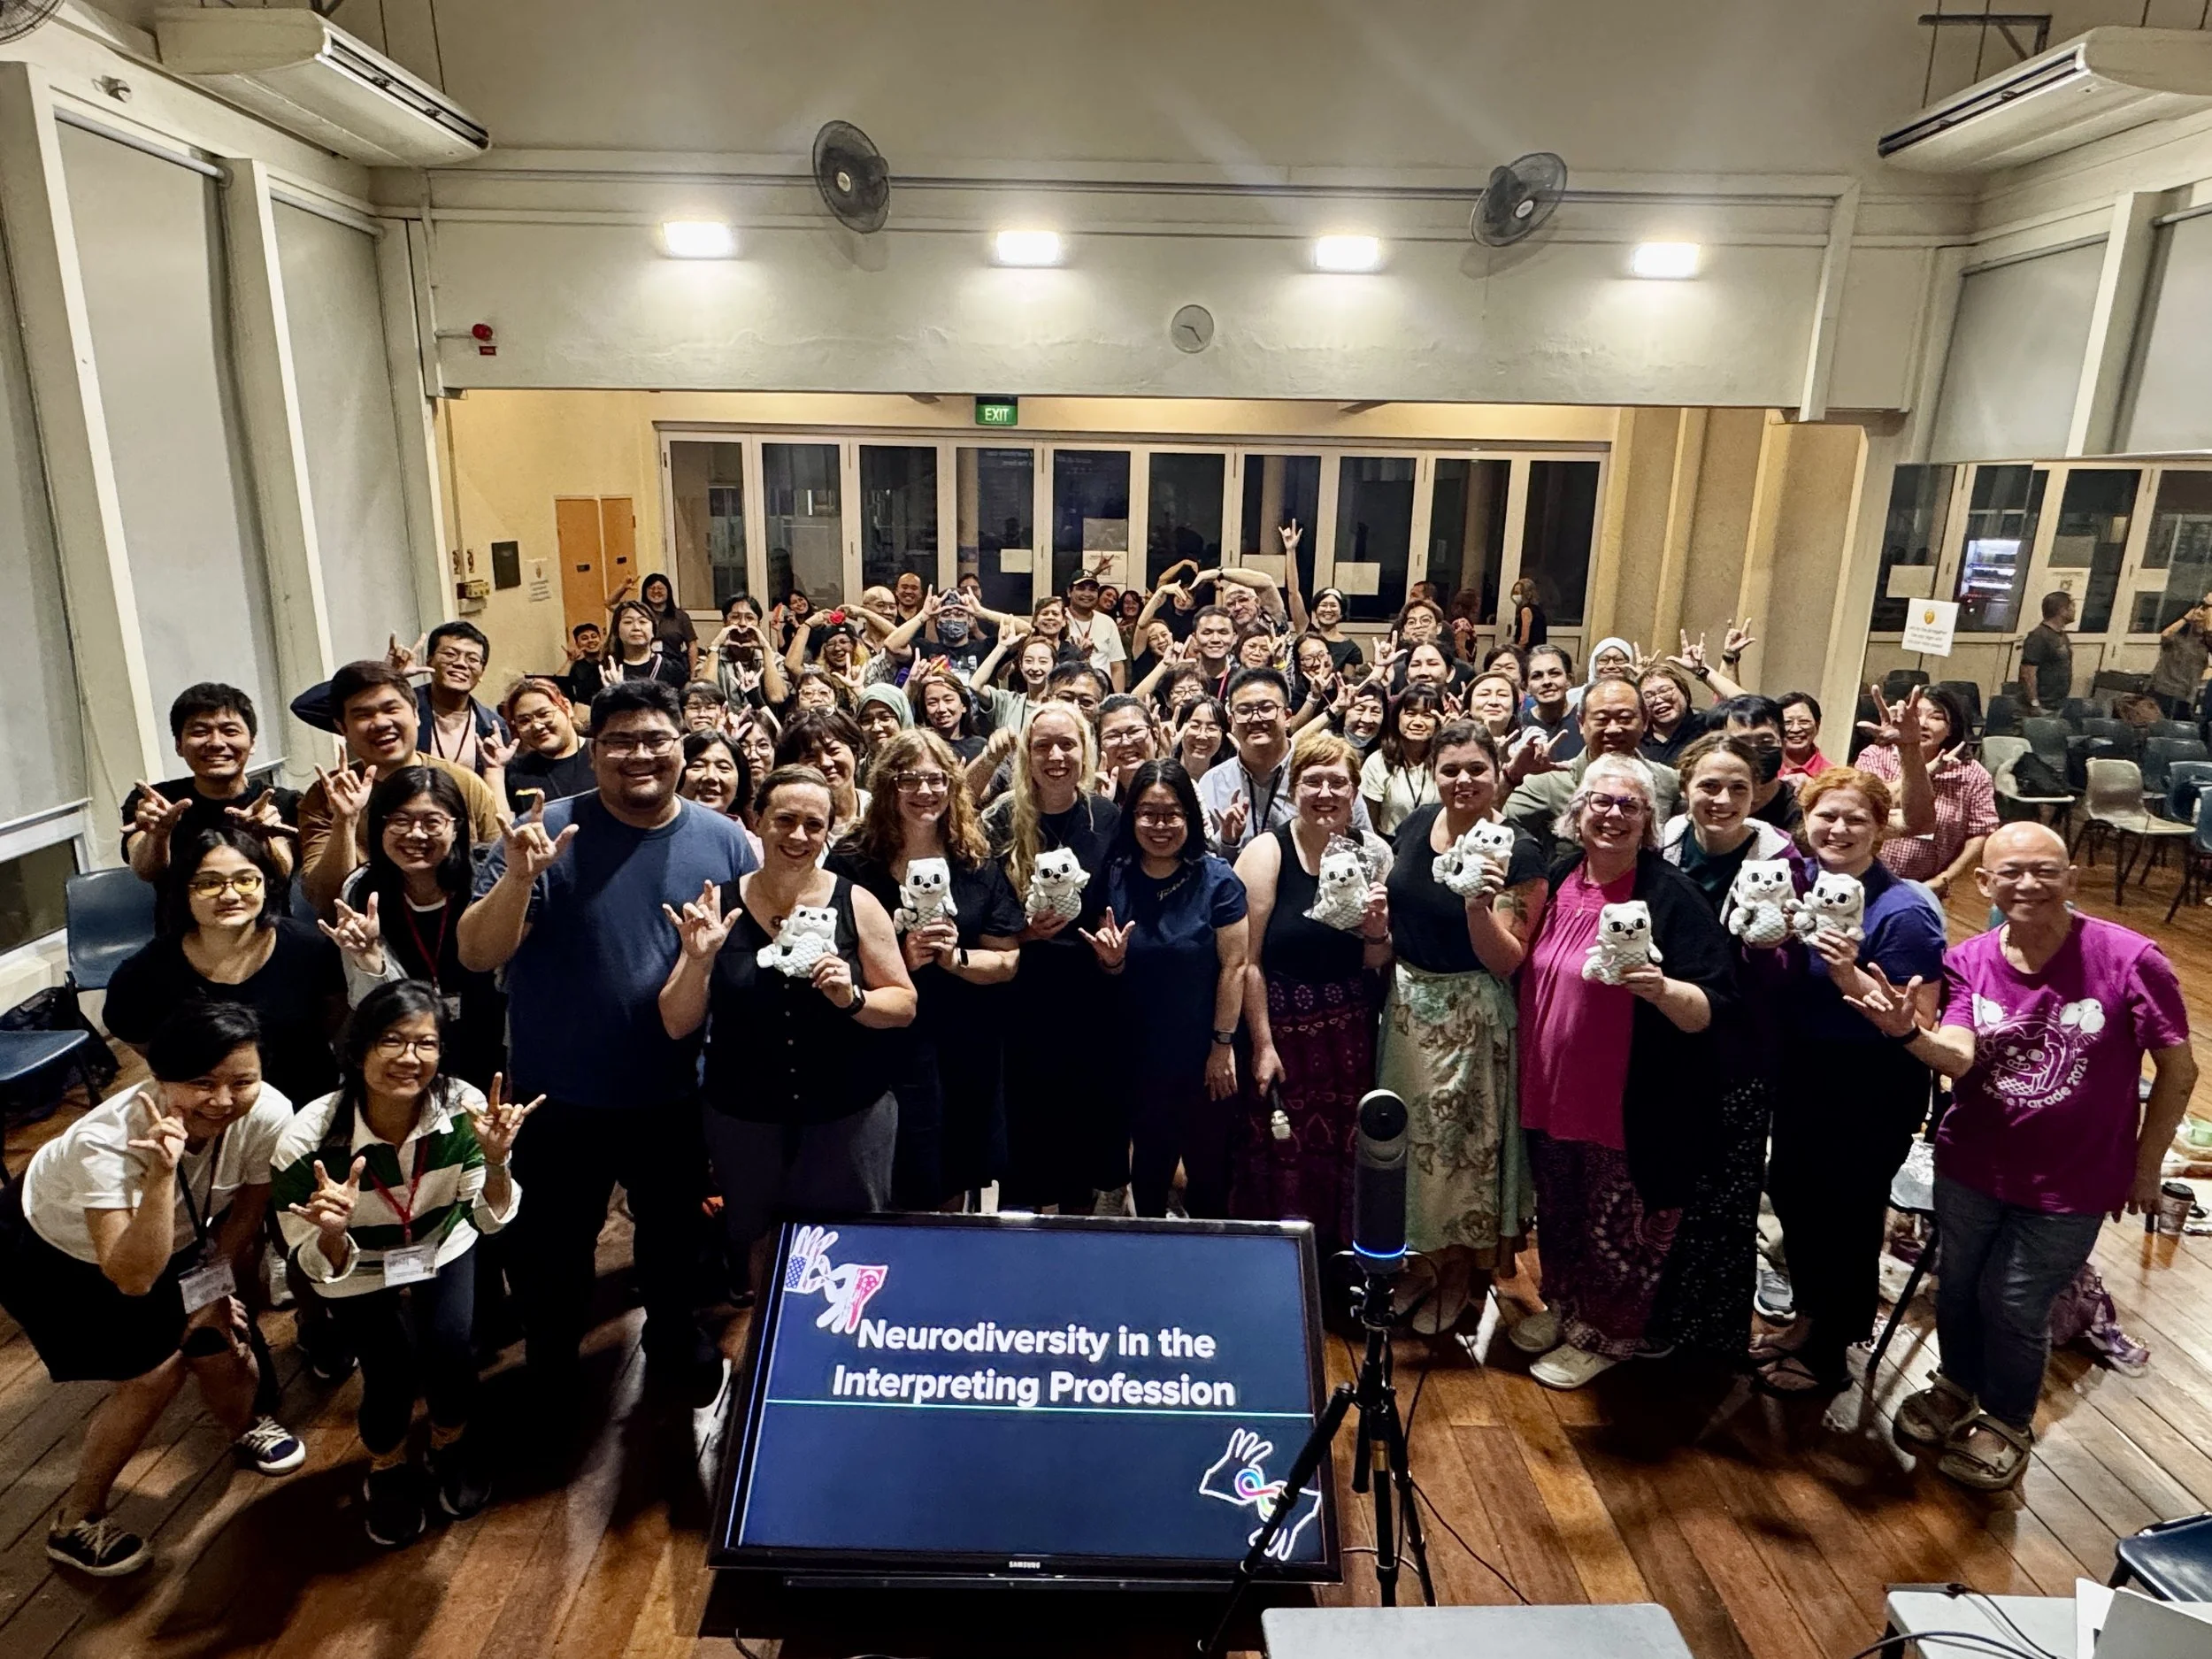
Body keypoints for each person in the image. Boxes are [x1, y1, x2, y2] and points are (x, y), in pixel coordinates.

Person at [1852, 823, 2195, 1489]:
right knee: (1956, 1286)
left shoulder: (2130, 958)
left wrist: (2146, 1165)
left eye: (2046, 870)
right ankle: (1955, 1382)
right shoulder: (1970, 958)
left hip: (2076, 1175)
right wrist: (1906, 1034)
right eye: (2011, 872)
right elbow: (1957, 1055)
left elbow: (2178, 1071)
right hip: (1973, 1161)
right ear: (1985, 883)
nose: (2029, 884)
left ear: (2071, 879)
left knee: (2013, 1300)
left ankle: (2007, 1417)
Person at [457, 680, 756, 1409]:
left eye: (656, 739)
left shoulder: (720, 837)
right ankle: (552, 1355)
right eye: (620, 741)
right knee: (554, 1247)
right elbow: (475, 951)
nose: (640, 755)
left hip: (673, 1086)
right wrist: (521, 879)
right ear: (593, 753)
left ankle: (669, 1330)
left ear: (683, 748)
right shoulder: (545, 830)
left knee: (670, 1236)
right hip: (558, 1091)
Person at [0, 1003, 304, 1577]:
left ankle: (244, 1427)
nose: (223, 1099)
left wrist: (212, 1283)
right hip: (55, 1250)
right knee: (153, 1372)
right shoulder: (106, 1141)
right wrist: (162, 1174)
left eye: (241, 1080)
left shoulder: (268, 1110)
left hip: (177, 1235)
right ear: (158, 1077)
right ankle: (75, 1522)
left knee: (214, 1336)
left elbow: (248, 1208)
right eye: (200, 1083)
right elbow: (132, 1273)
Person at [273, 983, 530, 1544]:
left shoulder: (464, 1110)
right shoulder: (305, 1141)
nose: (409, 1058)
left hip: (440, 1241)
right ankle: (385, 1467)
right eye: (392, 1040)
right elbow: (316, 1264)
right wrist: (335, 1234)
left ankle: (448, 1443)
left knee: (452, 1349)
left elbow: (487, 1220)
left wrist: (496, 1159)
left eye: (426, 1044)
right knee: (387, 1372)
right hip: (356, 1263)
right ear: (357, 1047)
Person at [1509, 754, 1734, 1390]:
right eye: (1599, 803)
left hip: (1628, 1100)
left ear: (1650, 822)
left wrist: (1661, 988)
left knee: (1619, 1223)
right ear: (1576, 815)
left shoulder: (1671, 896)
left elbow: (1713, 1007)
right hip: (1551, 1088)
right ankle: (1566, 1307)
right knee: (1559, 1206)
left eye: (1627, 805)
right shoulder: (1556, 878)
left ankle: (1611, 1332)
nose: (1611, 814)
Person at [660, 765, 915, 1287]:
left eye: (813, 824)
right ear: (757, 820)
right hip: (746, 1117)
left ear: (828, 831)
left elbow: (904, 1004)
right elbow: (677, 1021)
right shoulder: (718, 906)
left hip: (847, 1114)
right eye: (785, 820)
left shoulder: (856, 902)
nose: (798, 835)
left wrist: (854, 996)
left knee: (848, 1241)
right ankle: (766, 1347)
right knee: (758, 1239)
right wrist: (698, 960)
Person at [1755, 765, 1947, 1396]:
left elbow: (1913, 1019)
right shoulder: (1799, 884)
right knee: (1793, 1191)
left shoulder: (1904, 908)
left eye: (1855, 819)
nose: (1838, 828)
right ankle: (1809, 1316)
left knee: (1847, 1211)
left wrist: (1849, 975)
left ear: (1880, 828)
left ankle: (1832, 1350)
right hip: (1804, 1068)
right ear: (1805, 822)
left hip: (1870, 1080)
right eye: (1826, 816)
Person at [1377, 722, 1547, 1331]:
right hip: (1405, 1010)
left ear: (1497, 771)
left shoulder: (1518, 849)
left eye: (1476, 767)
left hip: (1472, 1013)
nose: (1463, 780)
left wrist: (1478, 903)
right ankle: (1418, 1265)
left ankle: (1458, 1276)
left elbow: (1507, 956)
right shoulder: (1418, 824)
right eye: (1451, 769)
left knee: (1462, 1154)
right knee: (1411, 1152)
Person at [1649, 733, 1803, 1360]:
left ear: (1758, 792)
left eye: (1738, 786)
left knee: (1726, 1191)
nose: (1723, 798)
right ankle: (1653, 1315)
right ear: (1687, 787)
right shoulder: (1665, 844)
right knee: (1665, 1184)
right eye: (1710, 785)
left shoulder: (1781, 857)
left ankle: (1709, 1334)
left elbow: (1788, 968)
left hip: (1739, 1047)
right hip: (1667, 1038)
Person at [832, 730, 1025, 1208]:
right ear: (886, 786)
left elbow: (1006, 960)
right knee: (894, 1172)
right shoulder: (854, 862)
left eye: (936, 780)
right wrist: (899, 959)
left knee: (959, 1168)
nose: (924, 792)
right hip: (885, 1044)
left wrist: (953, 960)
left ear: (952, 786)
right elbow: (835, 959)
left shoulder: (974, 860)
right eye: (909, 780)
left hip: (966, 1044)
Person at [1236, 732, 1392, 1253]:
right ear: (1292, 787)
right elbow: (1247, 961)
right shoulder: (1267, 851)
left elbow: (1374, 961)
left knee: (1348, 1152)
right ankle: (1279, 1266)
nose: (1325, 792)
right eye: (1312, 781)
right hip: (1281, 1027)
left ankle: (1338, 1264)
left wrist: (1375, 930)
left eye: (1338, 782)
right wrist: (1261, 1044)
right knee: (1281, 1148)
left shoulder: (1375, 854)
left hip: (1350, 1030)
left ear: (1354, 791)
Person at [1093, 759, 1248, 1219]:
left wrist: (1221, 1046)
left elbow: (1235, 966)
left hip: (1204, 1052)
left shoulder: (1217, 879)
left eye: (1171, 814)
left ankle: (1206, 1273)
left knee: (1209, 1170)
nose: (1159, 825)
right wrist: (1112, 963)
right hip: (1138, 1052)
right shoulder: (1116, 874)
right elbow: (1109, 966)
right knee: (1149, 1169)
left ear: (1190, 818)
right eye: (1147, 813)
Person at [986, 703, 1123, 1210]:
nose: (1056, 755)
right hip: (1023, 994)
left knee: (1081, 1134)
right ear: (1026, 754)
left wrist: (1115, 956)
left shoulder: (1105, 815)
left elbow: (1118, 901)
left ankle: (1076, 1241)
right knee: (1026, 1132)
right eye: (1042, 745)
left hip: (1089, 995)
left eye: (1067, 744)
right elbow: (983, 907)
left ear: (1086, 750)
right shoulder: (1003, 816)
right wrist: (1021, 933)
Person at [106, 830, 345, 1108]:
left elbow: (333, 1016)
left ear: (266, 886)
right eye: (209, 884)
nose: (230, 895)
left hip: (305, 1104)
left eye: (245, 881)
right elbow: (144, 1042)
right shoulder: (146, 972)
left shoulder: (311, 948)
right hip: (208, 1111)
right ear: (185, 892)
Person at [334, 767, 507, 1089]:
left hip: (490, 1041)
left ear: (456, 827)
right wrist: (369, 958)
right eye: (399, 821)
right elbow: (367, 1004)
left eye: (432, 822)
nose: (415, 834)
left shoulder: (487, 881)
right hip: (406, 1054)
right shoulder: (361, 891)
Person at [298, 661, 505, 916]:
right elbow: (324, 898)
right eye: (363, 715)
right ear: (342, 728)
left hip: (458, 930)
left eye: (391, 708)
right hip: (364, 937)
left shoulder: (464, 783)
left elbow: (499, 873)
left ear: (417, 714)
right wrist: (344, 821)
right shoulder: (326, 795)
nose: (381, 723)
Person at [122, 684, 299, 904]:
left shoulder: (281, 802)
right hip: (181, 934)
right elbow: (146, 872)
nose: (216, 743)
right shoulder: (156, 802)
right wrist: (159, 834)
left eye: (230, 731)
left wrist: (263, 839)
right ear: (178, 745)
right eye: (200, 732)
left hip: (268, 932)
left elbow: (282, 871)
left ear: (252, 743)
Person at [1200, 667, 1375, 856]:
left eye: (1266, 708)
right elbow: (1204, 860)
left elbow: (1367, 845)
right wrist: (1227, 840)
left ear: (1288, 717)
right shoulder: (1213, 783)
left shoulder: (1327, 776)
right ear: (1231, 721)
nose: (1256, 718)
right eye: (1244, 710)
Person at [1502, 677, 1682, 859]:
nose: (1613, 729)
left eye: (1625, 718)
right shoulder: (1552, 781)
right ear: (1581, 723)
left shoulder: (1668, 780)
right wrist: (1510, 778)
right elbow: (1487, 820)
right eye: (1602, 719)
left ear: (1644, 722)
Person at [1855, 686, 1996, 902]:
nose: (1921, 723)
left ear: (1951, 728)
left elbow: (1981, 831)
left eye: (1935, 717)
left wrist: (1945, 879)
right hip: (1864, 877)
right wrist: (1925, 771)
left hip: (1928, 887)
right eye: (1915, 715)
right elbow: (1878, 802)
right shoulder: (1875, 756)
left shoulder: (1973, 774)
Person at [411, 622, 511, 781]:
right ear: (429, 660)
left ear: (482, 672)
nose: (461, 664)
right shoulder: (405, 709)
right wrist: (392, 677)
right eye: (450, 654)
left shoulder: (494, 727)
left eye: (472, 659)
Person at [1709, 694, 1805, 833]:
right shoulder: (1705, 804)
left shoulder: (1802, 810)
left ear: (1783, 746)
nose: (1754, 751)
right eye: (1742, 743)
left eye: (1765, 742)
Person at [500, 678, 595, 813]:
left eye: (544, 714)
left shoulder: (603, 754)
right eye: (524, 721)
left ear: (567, 707)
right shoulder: (516, 771)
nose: (537, 726)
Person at [775, 708, 870, 844]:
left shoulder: (881, 811)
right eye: (810, 757)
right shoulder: (793, 827)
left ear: (855, 751)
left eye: (833, 750)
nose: (825, 763)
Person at [1361, 685, 1443, 838]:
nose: (1418, 722)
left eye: (1427, 716)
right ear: (1397, 717)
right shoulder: (1378, 761)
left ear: (1437, 722)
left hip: (1436, 846)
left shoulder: (1445, 762)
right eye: (1410, 713)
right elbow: (1369, 825)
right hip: (1390, 846)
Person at [612, 572, 696, 678]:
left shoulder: (680, 616)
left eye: (660, 588)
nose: (656, 591)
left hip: (673, 669)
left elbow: (692, 646)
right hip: (643, 667)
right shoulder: (638, 612)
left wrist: (693, 674)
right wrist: (623, 588)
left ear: (668, 591)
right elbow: (609, 604)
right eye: (651, 588)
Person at [2151, 590, 2212, 719]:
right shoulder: (2177, 639)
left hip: (2186, 695)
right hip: (2164, 691)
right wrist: (2186, 618)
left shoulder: (2204, 645)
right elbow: (2166, 634)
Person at [607, 598, 689, 690]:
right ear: (616, 630)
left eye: (642, 622)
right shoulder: (605, 669)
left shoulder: (673, 670)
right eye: (628, 622)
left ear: (653, 630)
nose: (636, 628)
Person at [910, 663, 987, 762]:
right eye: (932, 702)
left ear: (963, 706)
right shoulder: (920, 746)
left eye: (948, 700)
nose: (941, 709)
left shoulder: (980, 747)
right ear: (926, 712)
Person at [1064, 572, 1128, 689]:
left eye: (1092, 590)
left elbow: (1117, 667)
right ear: (1069, 592)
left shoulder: (1107, 622)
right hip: (1066, 691)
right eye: (1081, 589)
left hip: (1100, 694)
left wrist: (1116, 700)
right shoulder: (1059, 618)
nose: (1087, 594)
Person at [1636, 664, 1707, 768]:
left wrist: (1703, 672)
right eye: (1648, 696)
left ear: (1684, 692)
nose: (1659, 700)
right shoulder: (1637, 738)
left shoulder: (1707, 724)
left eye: (1665, 691)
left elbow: (1738, 705)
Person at [1519, 646, 1580, 760]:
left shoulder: (1585, 720)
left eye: (1554, 673)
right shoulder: (1519, 725)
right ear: (1526, 686)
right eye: (1537, 676)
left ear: (1569, 680)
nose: (1547, 681)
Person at [2018, 590, 2075, 713]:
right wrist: (2034, 703)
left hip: (2058, 703)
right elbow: (2027, 673)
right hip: (2043, 705)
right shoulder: (2039, 636)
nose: (2074, 611)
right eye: (2072, 606)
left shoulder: (2061, 635)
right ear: (2062, 610)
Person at [1778, 691, 1831, 786]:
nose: (1796, 729)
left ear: (1817, 726)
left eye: (1804, 722)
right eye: (1787, 722)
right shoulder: (1763, 768)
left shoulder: (1831, 775)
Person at [562, 620, 616, 709]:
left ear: (600, 639)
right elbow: (559, 684)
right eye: (584, 638)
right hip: (586, 713)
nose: (590, 640)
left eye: (594, 637)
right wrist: (570, 661)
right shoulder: (577, 666)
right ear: (577, 644)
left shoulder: (611, 661)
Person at [1175, 696, 1229, 780]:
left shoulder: (1228, 778)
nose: (1202, 736)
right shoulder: (1165, 769)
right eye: (1194, 726)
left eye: (1212, 728)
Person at [855, 682, 912, 757]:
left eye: (885, 718)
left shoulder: (924, 764)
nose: (876, 728)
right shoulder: (857, 768)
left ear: (903, 718)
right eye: (867, 720)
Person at [1467, 669, 1520, 745]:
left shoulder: (1530, 739)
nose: (1493, 702)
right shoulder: (1453, 743)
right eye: (1484, 694)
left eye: (1502, 695)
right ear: (1469, 706)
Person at [1340, 681, 1387, 758]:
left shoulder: (1388, 755)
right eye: (1359, 710)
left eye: (1375, 712)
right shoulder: (1325, 742)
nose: (1367, 719)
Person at [1509, 576, 1548, 650]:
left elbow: (1524, 639)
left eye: (1517, 593)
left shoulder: (1526, 610)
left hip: (1527, 651)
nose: (1515, 596)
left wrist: (1517, 651)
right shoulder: (1538, 610)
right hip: (1538, 651)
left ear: (1527, 594)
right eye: (1514, 593)